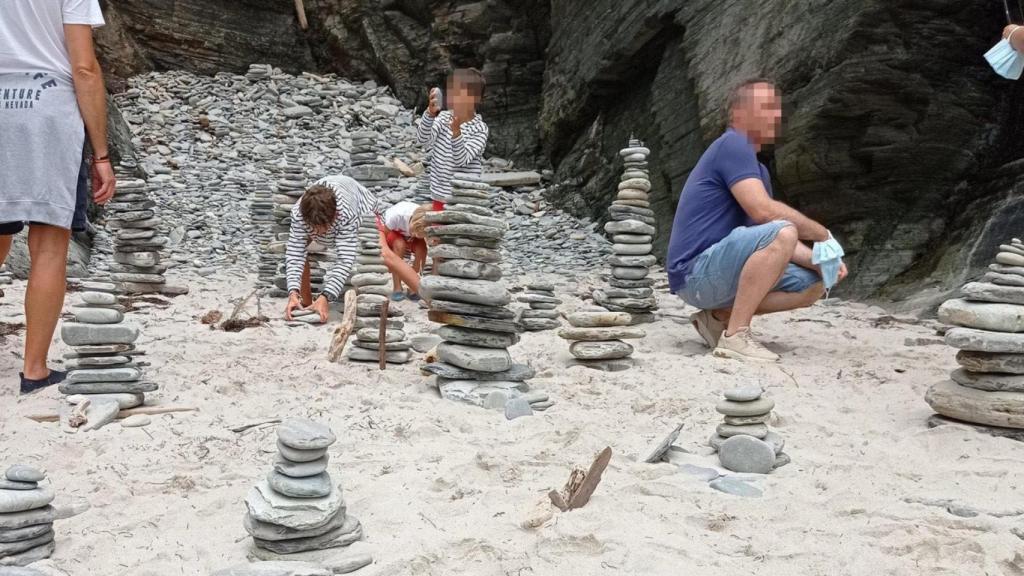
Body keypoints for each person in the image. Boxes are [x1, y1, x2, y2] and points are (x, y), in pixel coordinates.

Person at [666, 79, 847, 363]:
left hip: (718, 273)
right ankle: (736, 336)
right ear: (738, 114)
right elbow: (767, 217)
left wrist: (821, 261)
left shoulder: (757, 169)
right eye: (766, 107)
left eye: (776, 108)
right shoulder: (732, 144)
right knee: (783, 230)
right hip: (694, 272)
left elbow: (766, 238)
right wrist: (822, 234)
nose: (776, 115)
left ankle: (718, 317)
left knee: (814, 283)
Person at [0, 0, 116, 393]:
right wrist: (101, 154)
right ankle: (34, 370)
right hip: (48, 112)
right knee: (49, 246)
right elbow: (84, 67)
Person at [284, 175, 383, 322]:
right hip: (328, 202)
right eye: (313, 228)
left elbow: (345, 259)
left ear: (335, 215)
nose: (318, 233)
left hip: (359, 200)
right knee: (299, 249)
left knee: (370, 256)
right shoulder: (298, 214)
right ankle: (304, 301)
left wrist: (326, 297)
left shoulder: (347, 214)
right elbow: (295, 253)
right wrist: (292, 292)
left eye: (322, 227)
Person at [416, 68, 490, 211]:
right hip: (439, 194)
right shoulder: (443, 117)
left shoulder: (480, 129)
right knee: (436, 230)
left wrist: (456, 133)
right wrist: (429, 115)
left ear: (475, 99)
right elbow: (422, 140)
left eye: (459, 93)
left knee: (458, 231)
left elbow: (461, 160)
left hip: (464, 198)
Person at [377, 201, 431, 301]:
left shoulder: (423, 222)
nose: (414, 234)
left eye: (417, 234)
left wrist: (416, 236)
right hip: (393, 232)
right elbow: (383, 237)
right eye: (413, 231)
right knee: (399, 245)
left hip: (410, 233)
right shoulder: (397, 216)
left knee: (422, 249)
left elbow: (420, 236)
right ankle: (397, 287)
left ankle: (413, 287)